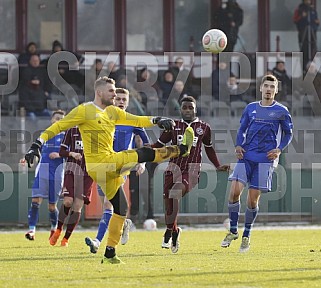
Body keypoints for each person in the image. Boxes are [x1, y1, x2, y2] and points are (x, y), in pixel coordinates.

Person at [24, 76, 194, 264]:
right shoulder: (85, 110)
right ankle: (181, 150)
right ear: (99, 92)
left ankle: (110, 251)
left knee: (121, 208)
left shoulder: (113, 112)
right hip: (100, 164)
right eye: (111, 91)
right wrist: (36, 144)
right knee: (143, 153)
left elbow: (136, 120)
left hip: (108, 168)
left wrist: (156, 119)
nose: (115, 94)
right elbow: (57, 126)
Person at [221, 75, 293, 253]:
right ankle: (232, 231)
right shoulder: (250, 108)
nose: (269, 89)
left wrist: (279, 149)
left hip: (265, 159)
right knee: (234, 192)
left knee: (252, 199)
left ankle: (246, 235)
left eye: (272, 87)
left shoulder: (282, 111)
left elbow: (288, 134)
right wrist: (238, 144)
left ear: (276, 90)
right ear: (261, 88)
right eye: (266, 86)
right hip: (246, 156)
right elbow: (242, 129)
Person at [152, 96, 230, 253]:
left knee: (175, 193)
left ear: (195, 109)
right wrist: (146, 149)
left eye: (190, 107)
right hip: (172, 168)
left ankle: (168, 231)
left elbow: (209, 148)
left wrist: (217, 165)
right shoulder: (173, 126)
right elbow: (158, 145)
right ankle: (174, 231)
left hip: (192, 170)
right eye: (184, 107)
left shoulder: (204, 127)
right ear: (180, 109)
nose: (187, 110)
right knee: (169, 203)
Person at [84, 87, 150, 253]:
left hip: (122, 166)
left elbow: (147, 144)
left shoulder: (132, 121)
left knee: (108, 203)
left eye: (123, 100)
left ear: (127, 103)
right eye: (118, 99)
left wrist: (142, 163)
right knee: (109, 207)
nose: (120, 102)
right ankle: (124, 223)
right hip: (103, 165)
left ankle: (97, 242)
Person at [48, 126, 94, 247]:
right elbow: (62, 152)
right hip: (71, 171)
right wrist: (72, 153)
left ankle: (66, 238)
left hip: (88, 174)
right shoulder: (72, 131)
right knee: (68, 202)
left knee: (77, 206)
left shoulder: (96, 131)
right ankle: (58, 229)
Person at [24, 110, 66, 241]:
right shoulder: (45, 135)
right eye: (56, 118)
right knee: (35, 202)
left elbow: (72, 154)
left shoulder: (66, 137)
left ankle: (54, 227)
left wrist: (60, 154)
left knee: (52, 206)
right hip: (42, 172)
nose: (58, 121)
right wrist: (26, 159)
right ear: (52, 121)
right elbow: (36, 152)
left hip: (57, 173)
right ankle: (32, 230)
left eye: (61, 119)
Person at [19, 54, 52, 119]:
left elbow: (48, 84)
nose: (35, 62)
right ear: (30, 61)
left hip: (41, 109)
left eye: (37, 60)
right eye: (33, 60)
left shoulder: (43, 72)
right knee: (32, 117)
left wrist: (47, 91)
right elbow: (25, 102)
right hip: (30, 110)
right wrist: (32, 109)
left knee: (50, 117)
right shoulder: (25, 73)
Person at [293, 0, 320, 69]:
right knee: (304, 49)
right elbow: (295, 20)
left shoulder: (313, 10)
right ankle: (304, 68)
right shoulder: (299, 9)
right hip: (303, 31)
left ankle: (313, 68)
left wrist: (317, 22)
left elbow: (316, 21)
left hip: (312, 31)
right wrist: (302, 16)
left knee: (313, 49)